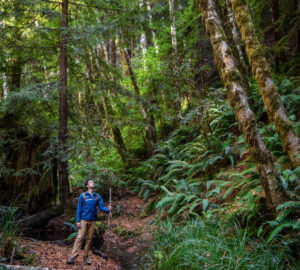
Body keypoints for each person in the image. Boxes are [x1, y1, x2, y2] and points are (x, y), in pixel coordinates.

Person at [67, 179, 112, 265]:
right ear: (87, 186)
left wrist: (108, 209)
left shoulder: (97, 196)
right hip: (83, 220)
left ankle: (86, 256)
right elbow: (79, 209)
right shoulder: (83, 195)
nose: (93, 183)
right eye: (91, 182)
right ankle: (73, 257)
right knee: (80, 237)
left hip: (93, 220)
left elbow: (101, 207)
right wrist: (78, 220)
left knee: (89, 239)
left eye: (93, 182)